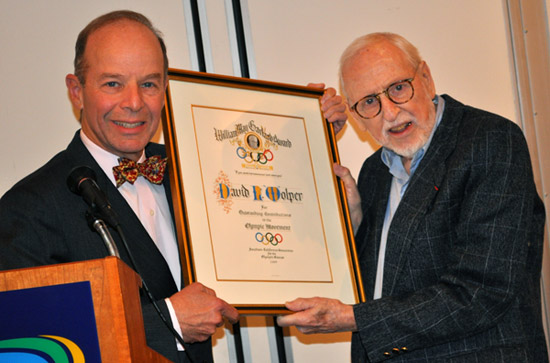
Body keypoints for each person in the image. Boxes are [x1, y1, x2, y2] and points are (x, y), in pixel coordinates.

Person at [0, 9, 347, 363]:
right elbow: (25, 345)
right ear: (77, 91)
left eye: (148, 83)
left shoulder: (196, 165)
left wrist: (307, 137)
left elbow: (267, 195)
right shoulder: (28, 208)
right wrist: (168, 321)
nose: (134, 103)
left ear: (165, 88)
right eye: (113, 83)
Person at [277, 32, 548, 362]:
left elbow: (480, 291)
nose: (389, 112)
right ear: (358, 117)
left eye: (398, 88)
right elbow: (384, 284)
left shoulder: (490, 141)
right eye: (369, 102)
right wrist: (312, 141)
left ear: (427, 79)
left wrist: (351, 319)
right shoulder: (374, 171)